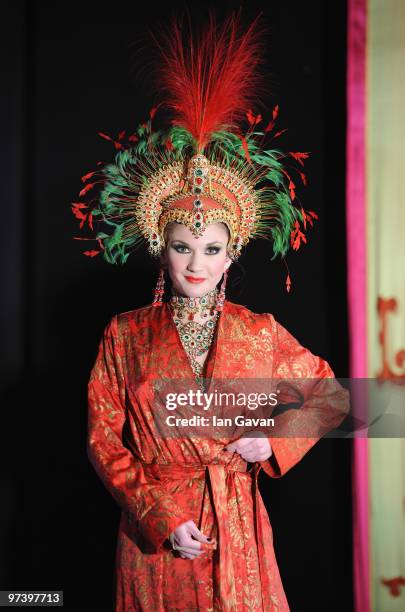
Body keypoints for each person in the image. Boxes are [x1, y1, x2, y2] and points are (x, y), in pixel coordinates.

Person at [75, 14, 349, 611]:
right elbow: (102, 440)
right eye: (182, 247)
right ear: (162, 248)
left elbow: (331, 395)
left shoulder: (259, 331)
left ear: (231, 255)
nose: (196, 263)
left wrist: (275, 438)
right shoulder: (124, 335)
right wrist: (161, 513)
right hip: (157, 538)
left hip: (237, 528)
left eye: (212, 249)